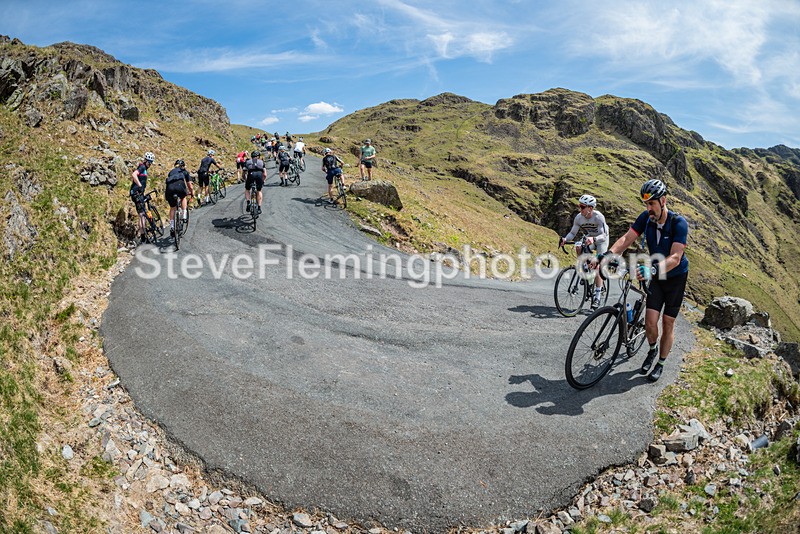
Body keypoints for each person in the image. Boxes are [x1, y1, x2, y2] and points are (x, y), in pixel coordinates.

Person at [594, 179, 689, 382]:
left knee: (668, 322)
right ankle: (652, 350)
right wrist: (608, 254)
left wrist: (652, 269)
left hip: (675, 278)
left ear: (663, 201)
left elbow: (675, 257)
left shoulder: (678, 223)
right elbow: (626, 239)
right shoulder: (646, 218)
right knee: (650, 323)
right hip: (656, 276)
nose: (648, 209)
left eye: (652, 203)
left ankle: (661, 362)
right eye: (646, 204)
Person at [558, 194, 609, 308]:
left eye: (582, 207)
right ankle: (586, 272)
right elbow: (572, 233)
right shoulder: (579, 218)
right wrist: (565, 239)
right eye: (579, 206)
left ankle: (597, 297)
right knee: (579, 247)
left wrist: (594, 239)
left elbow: (603, 235)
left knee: (597, 267)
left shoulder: (598, 217)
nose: (580, 209)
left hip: (601, 239)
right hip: (590, 237)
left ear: (590, 208)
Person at [130, 151, 155, 244]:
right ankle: (143, 236)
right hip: (136, 193)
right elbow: (134, 174)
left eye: (151, 163)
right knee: (142, 215)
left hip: (138, 193)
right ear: (145, 160)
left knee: (142, 214)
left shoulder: (144, 169)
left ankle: (143, 236)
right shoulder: (142, 167)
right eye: (149, 162)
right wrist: (140, 185)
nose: (150, 164)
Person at [165, 159, 190, 236]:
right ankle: (184, 214)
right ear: (183, 166)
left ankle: (172, 226)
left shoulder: (171, 172)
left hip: (169, 189)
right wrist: (191, 192)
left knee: (172, 207)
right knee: (183, 197)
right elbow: (189, 184)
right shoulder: (184, 171)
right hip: (179, 186)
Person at [244, 150, 266, 214]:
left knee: (247, 189)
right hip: (259, 175)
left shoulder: (247, 162)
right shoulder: (261, 162)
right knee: (259, 191)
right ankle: (259, 208)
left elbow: (244, 173)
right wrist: (263, 180)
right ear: (258, 156)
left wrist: (245, 180)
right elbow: (265, 174)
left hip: (251, 175)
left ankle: (248, 202)